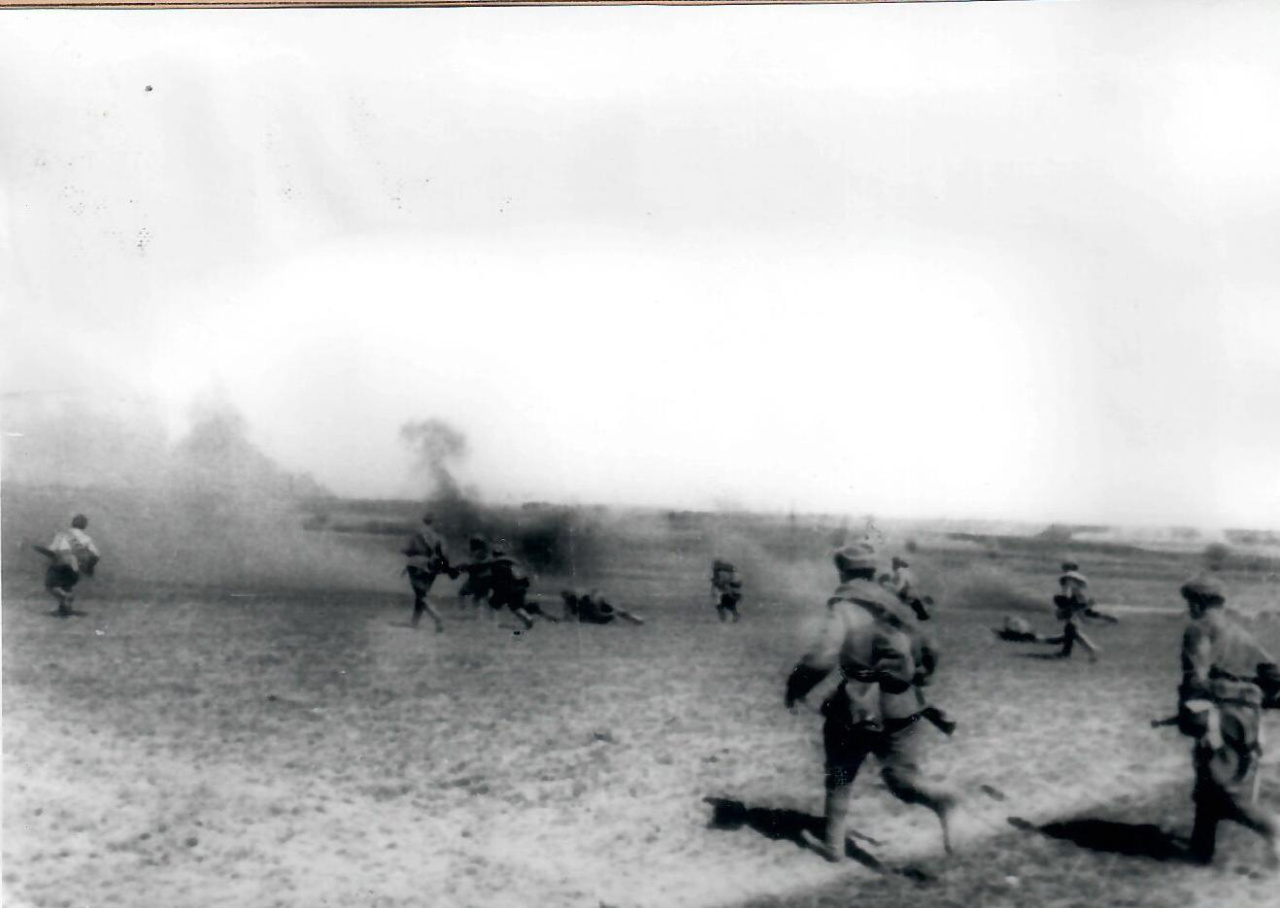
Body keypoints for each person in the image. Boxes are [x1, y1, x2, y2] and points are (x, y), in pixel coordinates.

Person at [784, 545, 960, 862]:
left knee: (840, 771)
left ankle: (834, 846)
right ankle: (940, 798)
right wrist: (922, 677)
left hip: (857, 703)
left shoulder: (845, 608)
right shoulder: (897, 605)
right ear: (872, 571)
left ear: (843, 572)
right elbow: (931, 648)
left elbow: (823, 656)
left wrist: (796, 686)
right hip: (903, 703)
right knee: (902, 779)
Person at [1173, 575, 1280, 867]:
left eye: (1189, 603)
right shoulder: (1240, 632)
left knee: (1222, 785)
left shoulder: (1198, 628)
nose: (1189, 608)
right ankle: (1200, 851)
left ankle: (1272, 827)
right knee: (1207, 782)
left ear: (1198, 603)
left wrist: (1189, 713)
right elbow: (1274, 674)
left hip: (1219, 716)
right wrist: (1254, 696)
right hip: (1246, 717)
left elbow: (1195, 678)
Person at [35, 513, 101, 617]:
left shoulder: (61, 535)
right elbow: (96, 554)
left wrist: (42, 550)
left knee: (50, 585)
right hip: (75, 565)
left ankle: (65, 597)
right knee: (67, 585)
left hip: (61, 562)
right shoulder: (87, 538)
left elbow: (52, 549)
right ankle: (64, 610)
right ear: (84, 526)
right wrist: (89, 566)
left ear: (72, 523)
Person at [401, 514, 452, 632]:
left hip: (415, 565)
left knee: (421, 595)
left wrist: (407, 551)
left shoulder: (416, 534)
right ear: (434, 522)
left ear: (424, 521)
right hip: (431, 567)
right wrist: (444, 567)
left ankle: (437, 616)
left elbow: (407, 550)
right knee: (422, 595)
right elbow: (444, 555)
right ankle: (414, 622)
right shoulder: (438, 537)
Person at [489, 544, 558, 629]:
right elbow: (523, 576)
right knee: (521, 606)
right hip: (520, 587)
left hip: (509, 589)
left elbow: (496, 580)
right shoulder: (512, 562)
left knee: (513, 606)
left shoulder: (495, 564)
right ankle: (544, 615)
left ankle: (528, 619)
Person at [561, 589, 645, 625]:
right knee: (617, 613)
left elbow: (570, 616)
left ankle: (634, 620)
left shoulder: (584, 602)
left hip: (596, 617)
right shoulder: (584, 602)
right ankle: (634, 620)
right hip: (596, 618)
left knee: (617, 612)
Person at [454, 535, 494, 609]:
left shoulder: (477, 554)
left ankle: (463, 608)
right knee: (478, 598)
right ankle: (484, 612)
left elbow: (472, 564)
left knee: (462, 593)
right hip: (485, 581)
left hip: (476, 580)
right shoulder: (486, 554)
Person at [890, 555, 934, 621]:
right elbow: (898, 579)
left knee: (914, 600)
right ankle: (922, 612)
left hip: (906, 588)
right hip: (906, 589)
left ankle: (922, 613)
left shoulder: (899, 570)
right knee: (915, 600)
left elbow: (899, 579)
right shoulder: (900, 570)